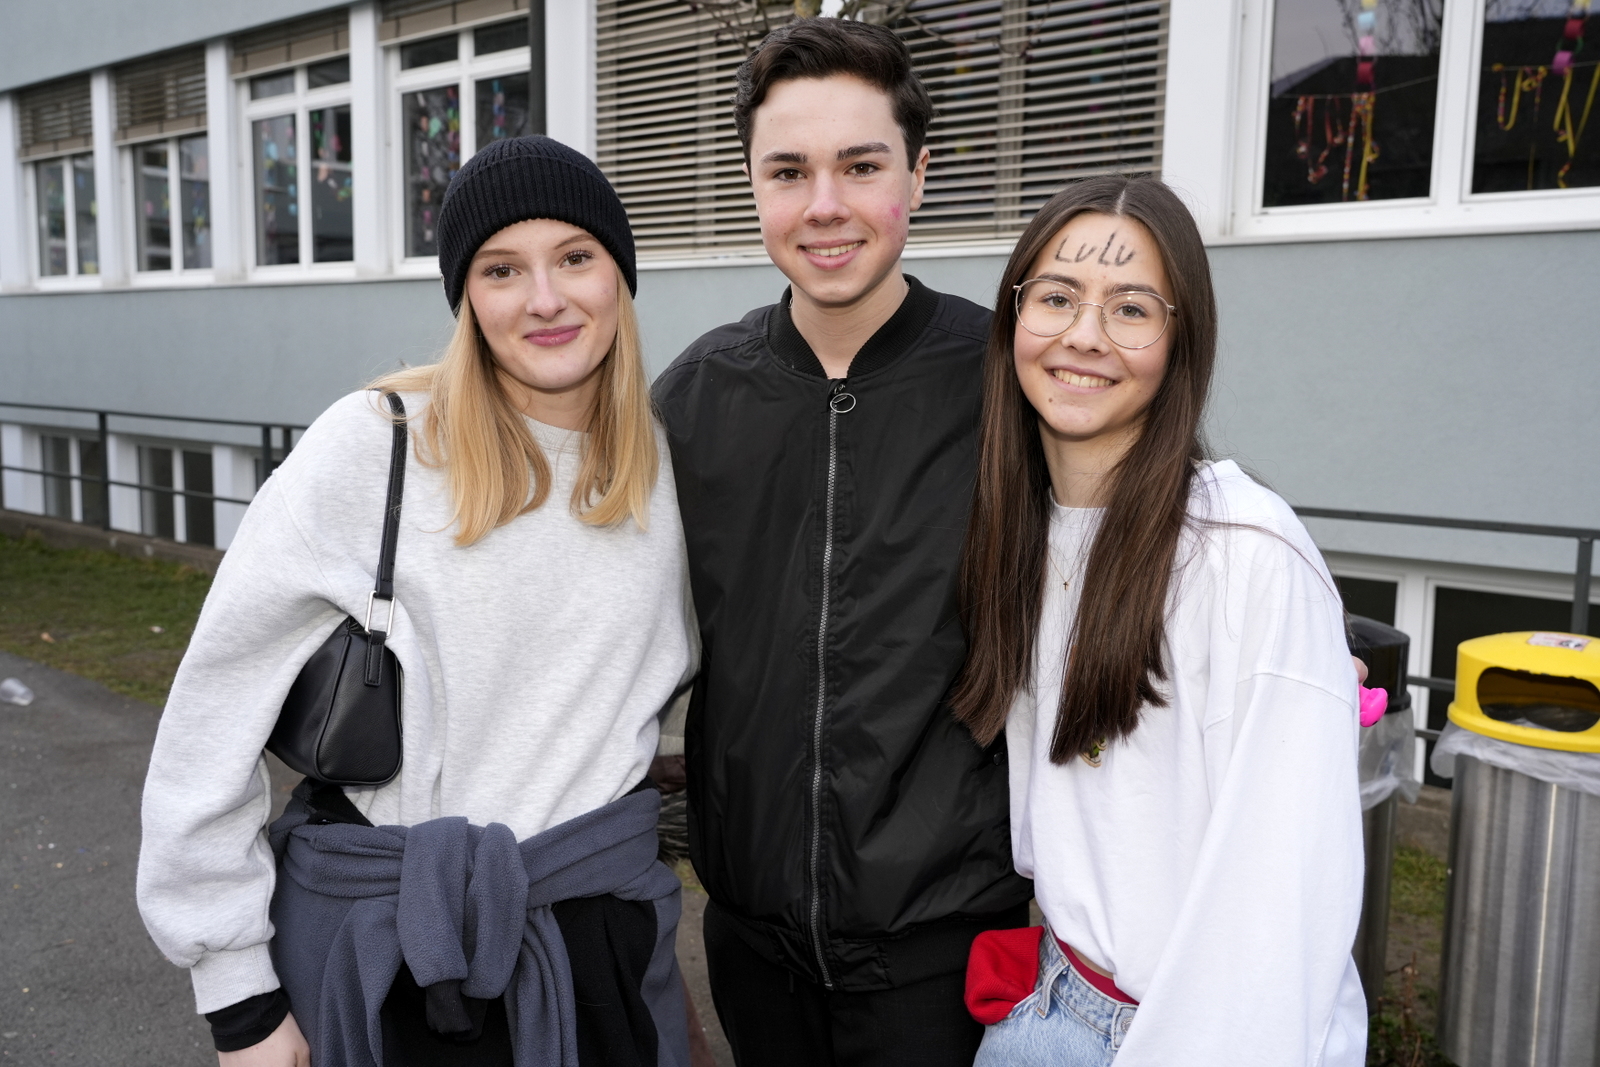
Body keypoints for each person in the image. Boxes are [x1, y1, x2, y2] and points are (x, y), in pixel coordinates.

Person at [137, 137, 698, 1067]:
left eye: (575, 256)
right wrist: (237, 996)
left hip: (598, 951)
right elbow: (214, 712)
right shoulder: (378, 445)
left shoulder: (668, 472)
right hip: (394, 955)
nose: (545, 298)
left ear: (619, 275)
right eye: (502, 268)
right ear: (466, 295)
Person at [651, 19, 1032, 1067]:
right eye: (788, 171)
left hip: (949, 953)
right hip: (751, 949)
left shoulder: (1009, 384)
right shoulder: (693, 398)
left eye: (861, 166)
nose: (824, 205)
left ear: (919, 173)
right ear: (753, 184)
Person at [954, 175, 1366, 1066]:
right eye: (1056, 296)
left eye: (1131, 308)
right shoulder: (1023, 529)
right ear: (1013, 316)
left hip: (1187, 1034)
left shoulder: (1245, 552)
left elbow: (1286, 906)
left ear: (1182, 342)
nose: (1084, 334)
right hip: (1049, 1004)